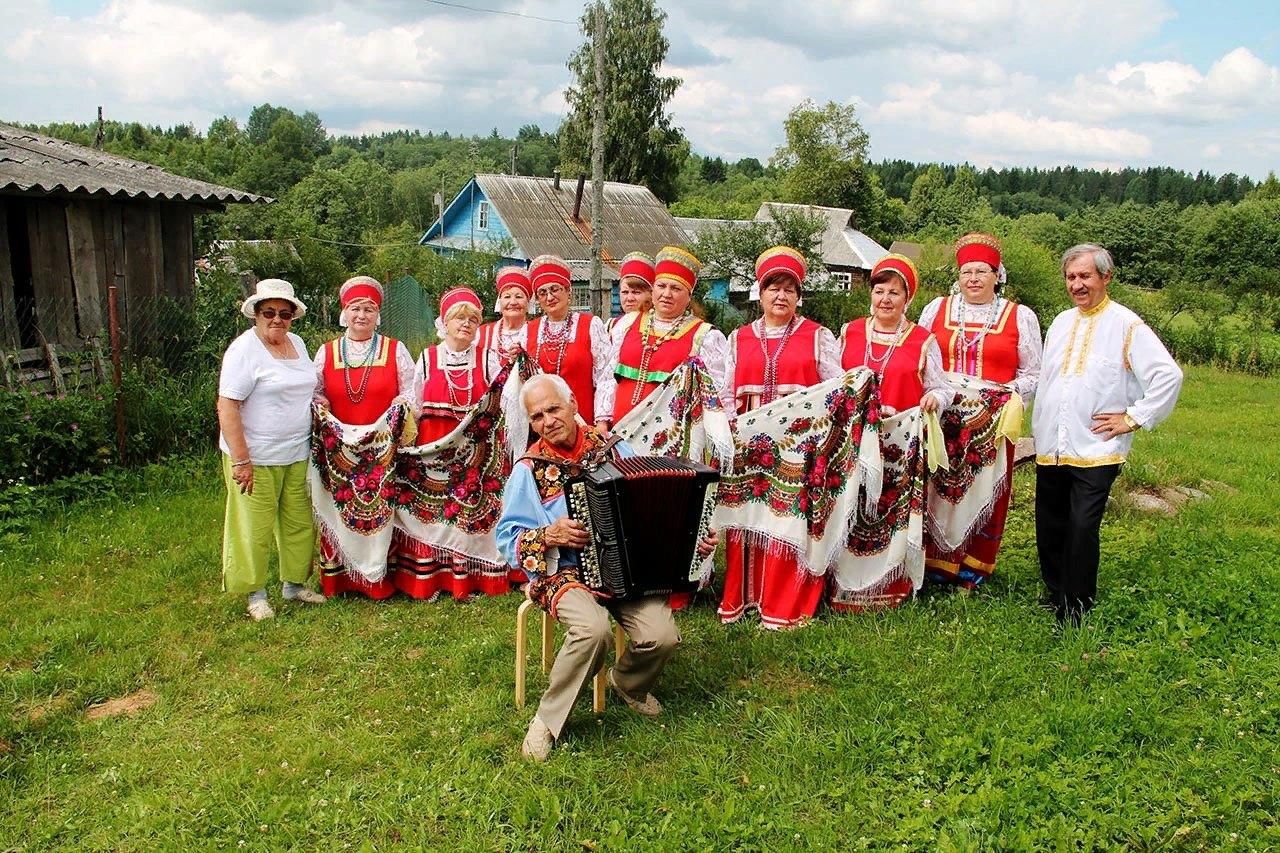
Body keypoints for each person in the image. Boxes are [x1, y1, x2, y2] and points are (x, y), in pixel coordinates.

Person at [496, 374, 717, 761]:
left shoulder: (615, 449)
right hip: (563, 574)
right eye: (537, 417)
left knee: (661, 635)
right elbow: (506, 538)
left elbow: (658, 505)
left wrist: (693, 537)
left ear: (574, 405)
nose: (547, 421)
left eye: (553, 409)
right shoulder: (528, 470)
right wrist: (550, 533)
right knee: (593, 629)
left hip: (628, 569)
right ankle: (546, 722)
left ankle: (627, 683)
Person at [1033, 244, 1183, 624]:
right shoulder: (1062, 322)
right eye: (1071, 277)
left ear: (1106, 277)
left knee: (1082, 526)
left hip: (1098, 446)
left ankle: (1077, 607)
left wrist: (1133, 418)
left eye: (1085, 276)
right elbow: (1049, 380)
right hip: (1052, 443)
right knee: (1050, 524)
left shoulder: (1126, 325)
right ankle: (1056, 592)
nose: (1077, 285)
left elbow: (1168, 375)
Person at [718, 246, 844, 629]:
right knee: (749, 520)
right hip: (749, 449)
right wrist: (729, 430)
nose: (781, 296)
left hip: (796, 448)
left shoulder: (818, 335)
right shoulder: (738, 338)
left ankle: (783, 601)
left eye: (789, 289)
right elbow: (725, 391)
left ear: (798, 296)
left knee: (788, 521)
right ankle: (745, 598)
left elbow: (834, 389)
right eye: (774, 288)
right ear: (760, 292)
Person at [917, 233, 1042, 589]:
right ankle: (931, 563)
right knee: (936, 485)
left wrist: (1002, 394)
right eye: (967, 271)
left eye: (982, 271)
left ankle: (973, 568)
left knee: (985, 488)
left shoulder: (1020, 316)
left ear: (997, 275)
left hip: (991, 422)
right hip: (943, 419)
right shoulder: (936, 310)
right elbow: (919, 356)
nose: (973, 278)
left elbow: (1034, 372)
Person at [835, 254, 951, 611]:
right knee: (852, 505)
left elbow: (942, 388)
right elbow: (832, 382)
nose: (885, 299)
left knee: (890, 511)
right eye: (879, 290)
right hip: (854, 439)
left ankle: (888, 585)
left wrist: (933, 397)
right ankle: (844, 583)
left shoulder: (923, 340)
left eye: (894, 293)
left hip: (899, 441)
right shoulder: (849, 331)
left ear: (907, 299)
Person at [216, 279, 324, 621]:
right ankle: (255, 593)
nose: (277, 320)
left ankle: (294, 585)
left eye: (284, 313)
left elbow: (305, 388)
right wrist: (241, 460)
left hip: (295, 451)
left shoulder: (298, 344)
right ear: (256, 315)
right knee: (254, 525)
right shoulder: (243, 351)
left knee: (298, 521)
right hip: (255, 456)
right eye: (269, 313)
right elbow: (227, 406)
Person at [311, 275, 418, 599]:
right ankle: (340, 578)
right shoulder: (326, 353)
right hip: (340, 451)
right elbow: (313, 393)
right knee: (339, 506)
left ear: (377, 315)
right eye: (355, 308)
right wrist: (320, 403)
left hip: (382, 454)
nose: (361, 315)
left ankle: (379, 578)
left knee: (383, 510)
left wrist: (403, 404)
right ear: (345, 312)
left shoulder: (395, 350)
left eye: (369, 309)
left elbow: (413, 390)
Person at [396, 286, 505, 600]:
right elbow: (413, 403)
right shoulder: (428, 359)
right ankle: (433, 579)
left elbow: (507, 400)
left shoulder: (488, 359)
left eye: (473, 319)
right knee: (435, 516)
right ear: (444, 323)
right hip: (434, 454)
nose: (467, 324)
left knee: (469, 517)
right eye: (459, 318)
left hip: (475, 456)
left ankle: (471, 579)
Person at [610, 246, 733, 424]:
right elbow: (607, 379)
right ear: (653, 291)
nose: (666, 294)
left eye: (675, 288)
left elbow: (718, 395)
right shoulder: (627, 324)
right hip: (620, 429)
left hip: (670, 436)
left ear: (689, 296)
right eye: (661, 286)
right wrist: (602, 420)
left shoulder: (705, 336)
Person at [524, 255, 615, 431]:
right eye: (542, 293)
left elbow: (606, 377)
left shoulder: (590, 325)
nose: (549, 297)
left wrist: (602, 422)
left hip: (582, 422)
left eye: (555, 289)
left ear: (568, 291)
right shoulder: (528, 331)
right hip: (544, 427)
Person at [476, 266, 532, 367]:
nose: (513, 302)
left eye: (519, 297)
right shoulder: (481, 333)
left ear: (528, 303)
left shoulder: (537, 333)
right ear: (499, 302)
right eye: (507, 297)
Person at [606, 252, 655, 336]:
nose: (629, 298)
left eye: (636, 292)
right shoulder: (611, 325)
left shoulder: (659, 327)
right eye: (625, 292)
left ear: (651, 294)